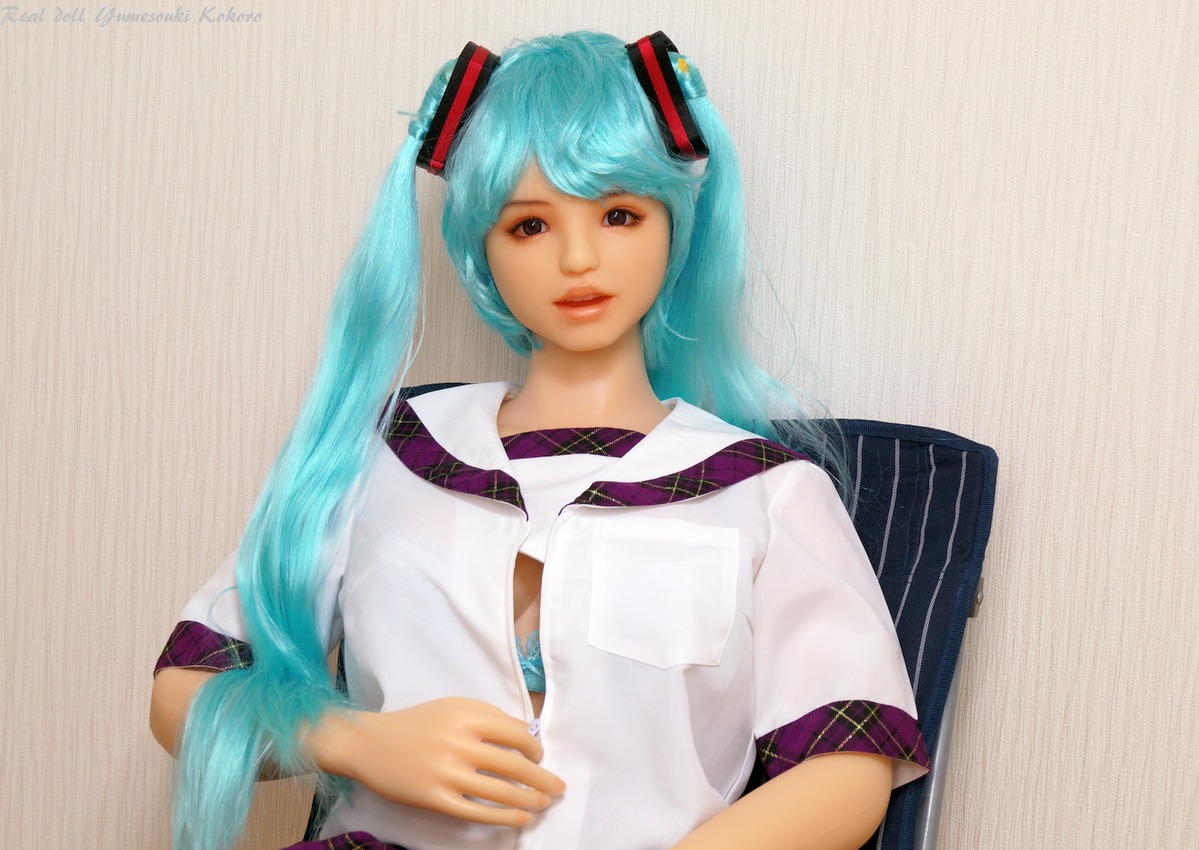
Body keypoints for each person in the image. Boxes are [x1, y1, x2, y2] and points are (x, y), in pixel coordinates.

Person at [150, 30, 929, 850]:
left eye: (619, 215)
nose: (579, 258)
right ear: (479, 249)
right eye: (529, 226)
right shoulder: (382, 456)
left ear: (674, 228)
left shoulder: (766, 492)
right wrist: (357, 742)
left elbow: (849, 768)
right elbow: (185, 689)